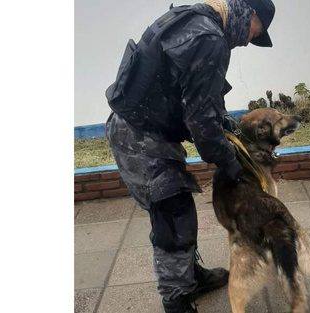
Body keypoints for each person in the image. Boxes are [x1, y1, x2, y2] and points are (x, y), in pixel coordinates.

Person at [105, 0, 275, 312]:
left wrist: (231, 130)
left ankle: (189, 276)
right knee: (172, 215)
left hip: (147, 128)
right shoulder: (210, 39)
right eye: (256, 32)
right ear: (250, 14)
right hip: (138, 135)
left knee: (180, 210)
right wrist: (229, 160)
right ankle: (176, 302)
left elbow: (198, 96)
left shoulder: (196, 17)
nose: (250, 40)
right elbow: (201, 122)